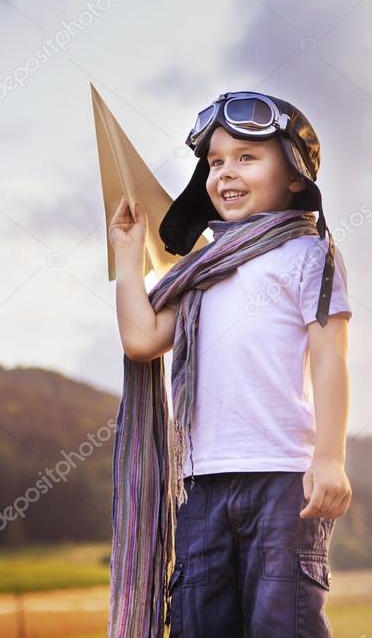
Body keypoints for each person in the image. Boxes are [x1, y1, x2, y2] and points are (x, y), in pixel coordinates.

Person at [107, 91, 353, 637]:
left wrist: (330, 457)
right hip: (200, 485)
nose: (225, 173)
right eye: (215, 162)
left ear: (293, 175)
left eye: (246, 157)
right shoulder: (200, 269)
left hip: (284, 479)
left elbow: (329, 356)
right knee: (198, 626)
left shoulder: (309, 254)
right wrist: (129, 256)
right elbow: (142, 339)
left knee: (282, 626)